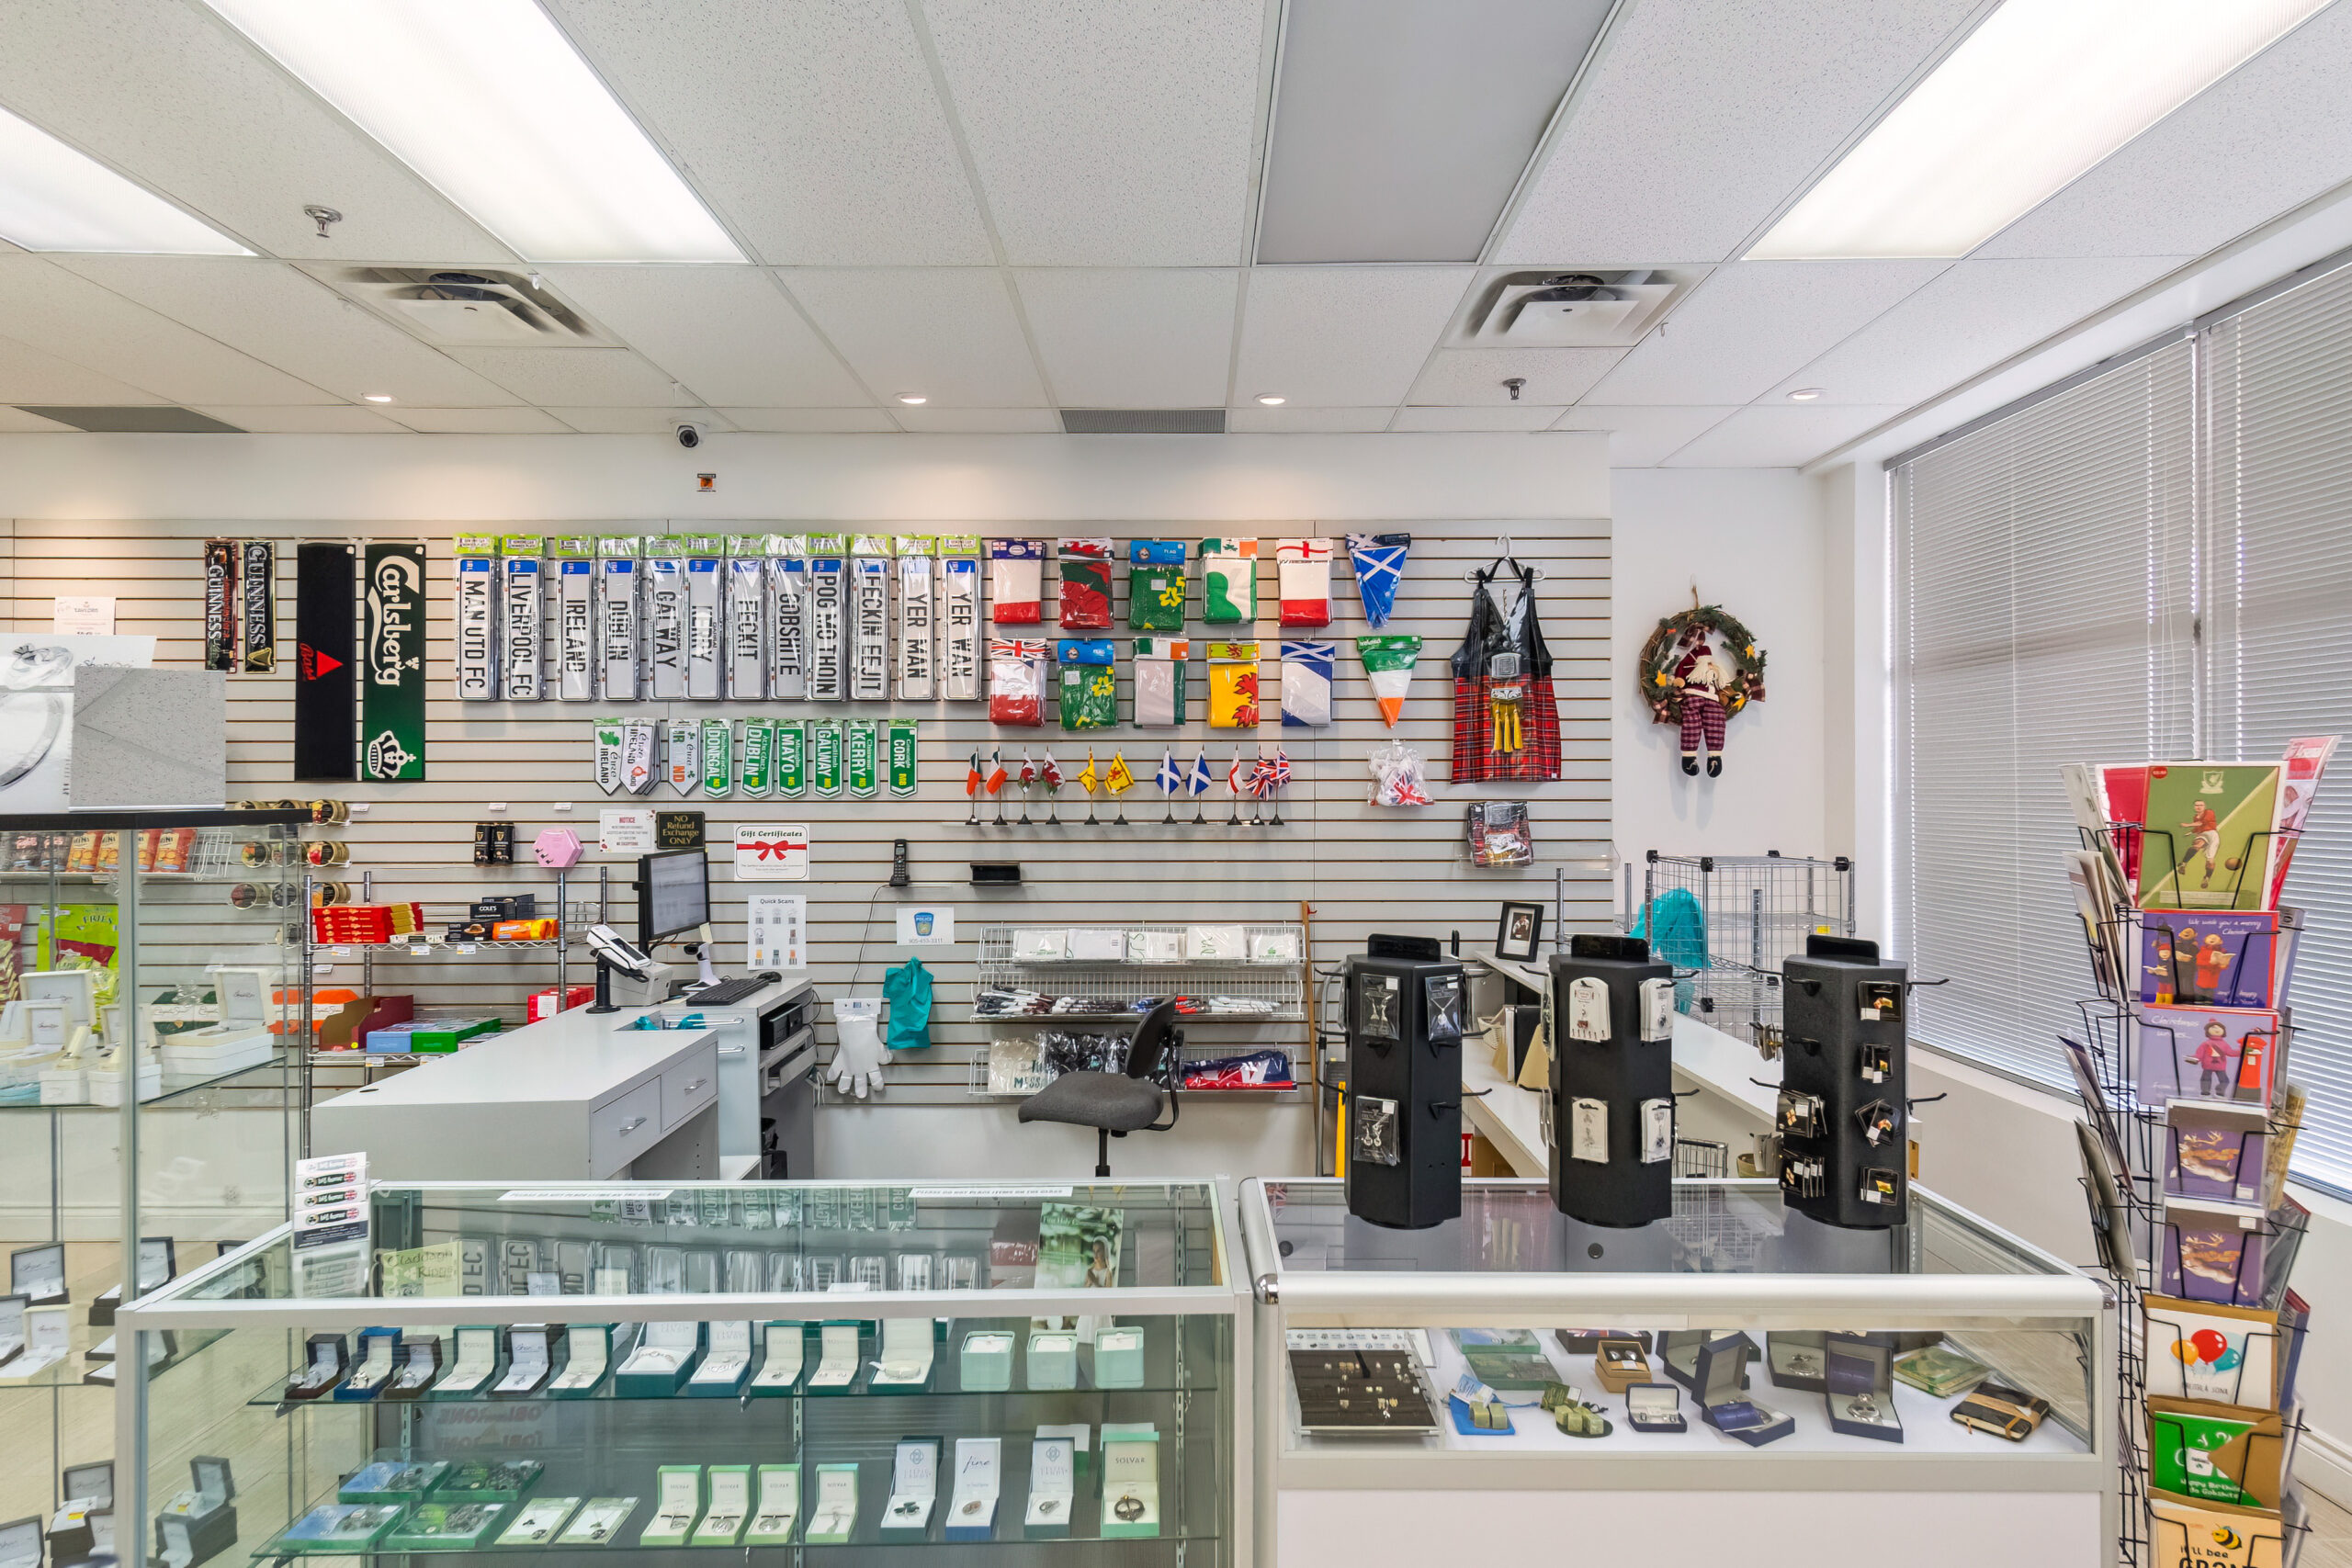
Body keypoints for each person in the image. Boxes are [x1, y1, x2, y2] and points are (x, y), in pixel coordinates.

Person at [2189, 1018, 2239, 1098]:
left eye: (2219, 1027)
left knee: (2224, 1081)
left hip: (2220, 1066)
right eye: (2213, 1027)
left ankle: (2219, 1093)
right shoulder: (2205, 1044)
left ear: (2223, 1031)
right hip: (2208, 1065)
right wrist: (2193, 1058)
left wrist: (2241, 1051)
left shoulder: (2224, 1044)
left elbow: (2230, 1052)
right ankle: (2205, 1093)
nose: (2216, 1029)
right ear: (2208, 1031)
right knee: (2206, 1080)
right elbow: (2199, 1054)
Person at [2181, 800, 2222, 889]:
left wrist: (2187, 825)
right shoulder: (2195, 817)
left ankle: (2207, 878)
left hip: (2212, 835)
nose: (2198, 807)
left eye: (2201, 805)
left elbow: (2202, 823)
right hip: (2202, 835)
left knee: (2210, 861)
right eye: (2196, 805)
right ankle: (2183, 864)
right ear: (2194, 807)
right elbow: (2198, 828)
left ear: (2204, 806)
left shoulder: (2209, 812)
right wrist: (2191, 832)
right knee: (2197, 845)